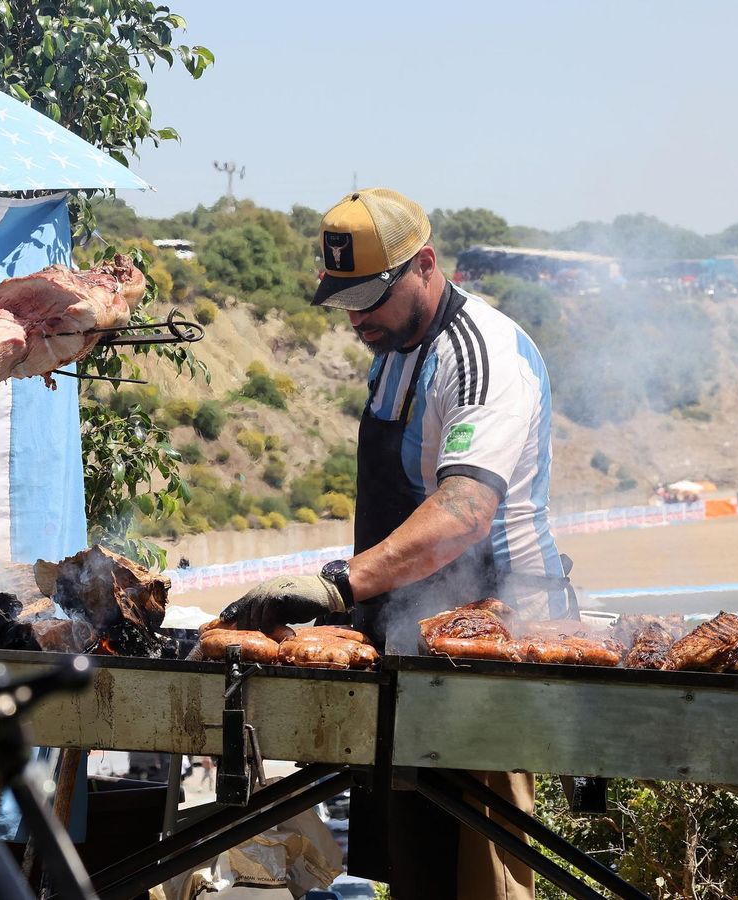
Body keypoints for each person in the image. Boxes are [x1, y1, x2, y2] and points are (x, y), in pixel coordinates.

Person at [220, 188, 567, 900]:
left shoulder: (481, 356)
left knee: (481, 872)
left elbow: (465, 511)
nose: (356, 319)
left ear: (426, 266)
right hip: (406, 633)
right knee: (415, 868)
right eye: (344, 300)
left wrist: (338, 583)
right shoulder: (394, 347)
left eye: (370, 299)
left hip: (494, 636)